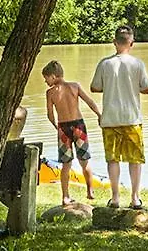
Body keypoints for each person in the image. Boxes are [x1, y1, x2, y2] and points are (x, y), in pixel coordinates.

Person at [91, 25, 148, 210]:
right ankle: (135, 198)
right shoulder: (137, 64)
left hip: (110, 119)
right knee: (135, 159)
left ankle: (115, 197)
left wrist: (111, 85)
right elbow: (147, 88)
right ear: (131, 43)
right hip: (132, 118)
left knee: (113, 159)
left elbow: (94, 87)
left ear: (114, 42)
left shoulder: (105, 64)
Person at [43, 60, 102, 205]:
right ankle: (90, 191)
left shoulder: (50, 93)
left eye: (46, 78)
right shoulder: (75, 86)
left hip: (63, 127)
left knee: (66, 164)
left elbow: (50, 114)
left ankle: (65, 196)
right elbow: (89, 101)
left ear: (53, 76)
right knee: (84, 161)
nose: (45, 81)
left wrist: (56, 127)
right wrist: (99, 115)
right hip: (79, 126)